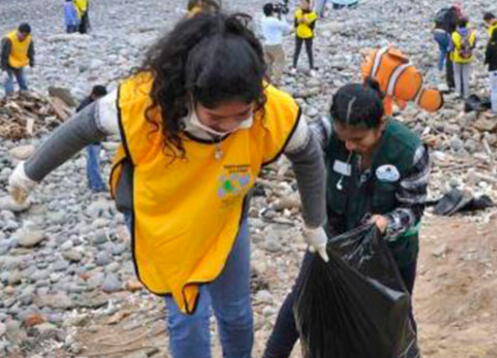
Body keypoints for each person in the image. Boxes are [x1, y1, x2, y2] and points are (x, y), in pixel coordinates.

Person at [7, 13, 329, 358]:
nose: (231, 126)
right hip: (163, 219)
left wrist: (314, 223)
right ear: (189, 94)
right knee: (188, 317)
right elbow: (83, 127)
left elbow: (308, 155)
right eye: (216, 117)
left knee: (236, 314)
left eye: (242, 114)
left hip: (224, 214)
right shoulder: (144, 102)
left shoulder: (272, 111)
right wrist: (30, 172)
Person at [262, 80, 430, 358]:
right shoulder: (327, 131)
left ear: (381, 124)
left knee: (394, 312)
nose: (350, 145)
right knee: (303, 298)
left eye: (359, 139)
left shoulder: (409, 151)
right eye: (344, 138)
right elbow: (299, 144)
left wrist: (387, 223)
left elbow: (413, 209)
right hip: (331, 238)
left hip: (390, 249)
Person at [360, 46, 444, 116]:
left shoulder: (417, 80)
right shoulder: (409, 92)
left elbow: (398, 56)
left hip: (376, 73)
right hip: (378, 78)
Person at [77, 85, 108, 192]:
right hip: (91, 137)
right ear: (94, 95)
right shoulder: (86, 106)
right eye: (100, 97)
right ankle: (97, 185)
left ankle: (92, 182)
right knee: (94, 161)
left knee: (92, 160)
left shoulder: (93, 103)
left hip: (94, 136)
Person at [434, 4, 464, 92]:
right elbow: (454, 24)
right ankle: (451, 73)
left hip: (436, 33)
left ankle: (439, 68)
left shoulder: (443, 13)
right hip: (445, 34)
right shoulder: (452, 14)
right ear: (456, 10)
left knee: (443, 50)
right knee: (450, 52)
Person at [262, 3, 291, 86]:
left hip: (266, 45)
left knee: (268, 63)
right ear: (271, 11)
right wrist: (283, 16)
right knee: (280, 62)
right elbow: (286, 27)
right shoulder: (273, 21)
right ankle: (276, 81)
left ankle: (267, 81)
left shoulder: (263, 19)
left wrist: (278, 14)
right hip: (276, 45)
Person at [1, 23, 34, 97]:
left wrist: (31, 63)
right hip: (8, 63)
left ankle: (26, 96)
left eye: (25, 35)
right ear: (18, 31)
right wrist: (3, 70)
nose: (23, 37)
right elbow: (3, 55)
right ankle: (10, 99)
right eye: (22, 35)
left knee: (22, 80)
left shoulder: (29, 39)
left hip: (19, 63)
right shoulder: (8, 39)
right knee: (9, 83)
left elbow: (30, 51)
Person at [451, 18, 476, 99]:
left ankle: (458, 92)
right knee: (466, 75)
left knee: (457, 74)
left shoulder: (454, 34)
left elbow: (451, 47)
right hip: (468, 56)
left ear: (458, 25)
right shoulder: (472, 34)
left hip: (457, 56)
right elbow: (473, 45)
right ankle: (466, 94)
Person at [293, 0, 318, 75]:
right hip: (299, 34)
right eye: (301, 3)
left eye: (304, 3)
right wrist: (299, 21)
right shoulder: (297, 12)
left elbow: (312, 27)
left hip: (308, 35)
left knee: (309, 51)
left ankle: (312, 68)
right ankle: (294, 67)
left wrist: (308, 22)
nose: (302, 4)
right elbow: (295, 25)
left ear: (308, 4)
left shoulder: (313, 14)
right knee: (297, 50)